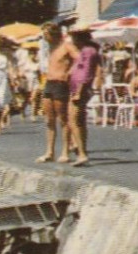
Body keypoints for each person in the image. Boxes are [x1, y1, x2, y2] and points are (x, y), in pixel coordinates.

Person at [37, 23, 78, 163]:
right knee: (49, 120)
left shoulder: (66, 46)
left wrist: (70, 72)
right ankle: (49, 152)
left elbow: (79, 59)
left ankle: (65, 151)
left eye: (46, 34)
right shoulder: (49, 47)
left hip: (61, 83)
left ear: (53, 34)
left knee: (63, 119)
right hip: (49, 83)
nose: (44, 37)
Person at [66, 29, 99, 161]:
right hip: (76, 88)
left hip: (80, 89)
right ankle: (81, 150)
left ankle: (82, 153)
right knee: (78, 121)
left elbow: (86, 73)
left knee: (74, 121)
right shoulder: (85, 51)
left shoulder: (88, 51)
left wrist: (79, 91)